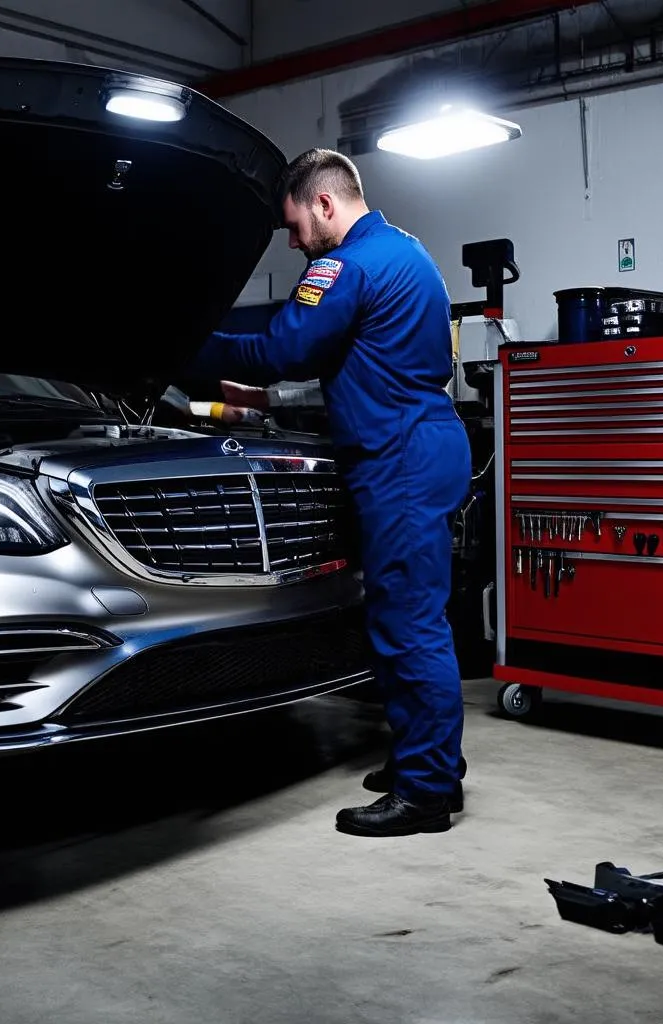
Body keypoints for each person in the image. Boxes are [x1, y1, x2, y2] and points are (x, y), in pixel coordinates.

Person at [185, 148, 472, 838]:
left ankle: (426, 792)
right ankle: (424, 763)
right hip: (424, 441)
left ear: (323, 203)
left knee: (410, 624)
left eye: (293, 226)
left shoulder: (344, 265)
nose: (292, 243)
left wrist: (189, 343)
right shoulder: (408, 250)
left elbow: (283, 351)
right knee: (402, 616)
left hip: (398, 455)